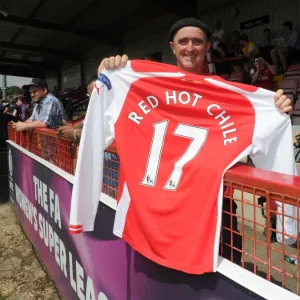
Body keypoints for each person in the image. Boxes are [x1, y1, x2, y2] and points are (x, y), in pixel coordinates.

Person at [96, 17, 293, 264]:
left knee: (222, 281)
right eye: (184, 41)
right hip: (154, 208)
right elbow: (100, 118)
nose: (190, 47)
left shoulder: (231, 94)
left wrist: (275, 111)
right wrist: (106, 80)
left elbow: (273, 142)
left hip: (215, 210)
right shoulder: (140, 85)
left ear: (208, 47)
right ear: (173, 46)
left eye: (197, 42)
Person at [57, 75, 97, 141]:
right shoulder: (96, 109)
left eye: (93, 95)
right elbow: (86, 122)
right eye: (89, 95)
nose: (90, 99)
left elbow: (103, 133)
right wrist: (73, 127)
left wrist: (75, 133)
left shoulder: (113, 110)